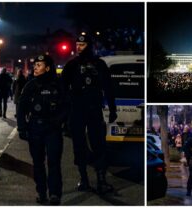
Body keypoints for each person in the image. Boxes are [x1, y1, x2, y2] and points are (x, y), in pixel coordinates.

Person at [62, 34, 117, 194]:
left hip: (94, 109)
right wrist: (65, 113)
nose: (79, 47)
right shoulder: (71, 65)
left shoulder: (99, 64)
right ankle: (84, 179)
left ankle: (101, 179)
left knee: (98, 144)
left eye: (83, 44)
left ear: (89, 45)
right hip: (77, 110)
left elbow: (108, 88)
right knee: (79, 145)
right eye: (77, 44)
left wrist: (112, 109)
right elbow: (63, 90)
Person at [17, 54, 67, 205]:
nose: (35, 68)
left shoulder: (58, 84)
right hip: (35, 128)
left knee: (53, 162)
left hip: (53, 129)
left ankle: (54, 194)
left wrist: (60, 122)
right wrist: (22, 127)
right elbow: (21, 107)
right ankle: (41, 192)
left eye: (39, 65)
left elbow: (67, 106)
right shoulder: (30, 85)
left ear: (47, 68)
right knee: (38, 163)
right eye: (35, 65)